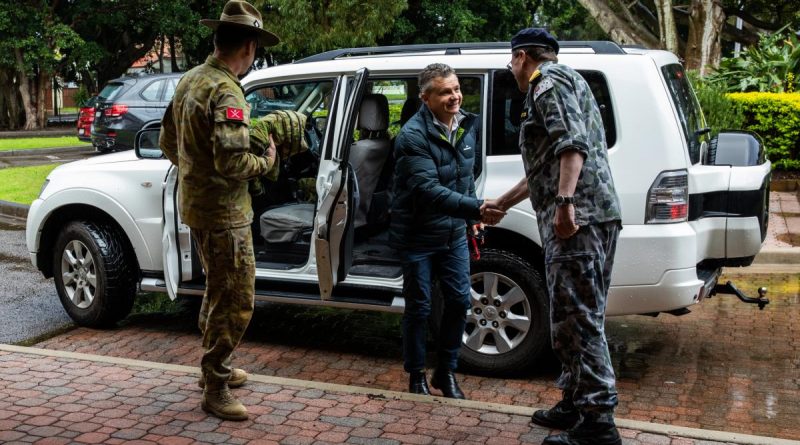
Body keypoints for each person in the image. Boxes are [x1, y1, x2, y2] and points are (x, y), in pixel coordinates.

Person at [495, 28, 623, 445]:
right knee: (568, 317)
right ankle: (574, 401)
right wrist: (502, 201)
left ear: (521, 56)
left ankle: (598, 424)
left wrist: (566, 204)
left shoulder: (546, 83)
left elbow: (572, 146)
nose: (511, 67)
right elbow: (546, 165)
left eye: (511, 60)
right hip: (589, 215)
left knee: (580, 318)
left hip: (577, 220)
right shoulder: (568, 79)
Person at [159, 0, 279, 421]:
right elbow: (232, 164)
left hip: (198, 208)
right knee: (237, 298)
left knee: (217, 289)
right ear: (249, 47)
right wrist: (267, 161)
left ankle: (214, 367)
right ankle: (215, 385)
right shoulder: (227, 90)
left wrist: (197, 174)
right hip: (226, 215)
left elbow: (168, 144)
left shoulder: (192, 79)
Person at [390, 63, 504, 399]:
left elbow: (465, 176)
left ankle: (446, 372)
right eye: (445, 91)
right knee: (420, 307)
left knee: (458, 302)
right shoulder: (412, 136)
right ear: (426, 98)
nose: (454, 96)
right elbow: (427, 189)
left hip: (453, 234)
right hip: (417, 236)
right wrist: (477, 207)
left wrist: (472, 219)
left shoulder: (466, 125)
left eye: (456, 89)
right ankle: (415, 375)